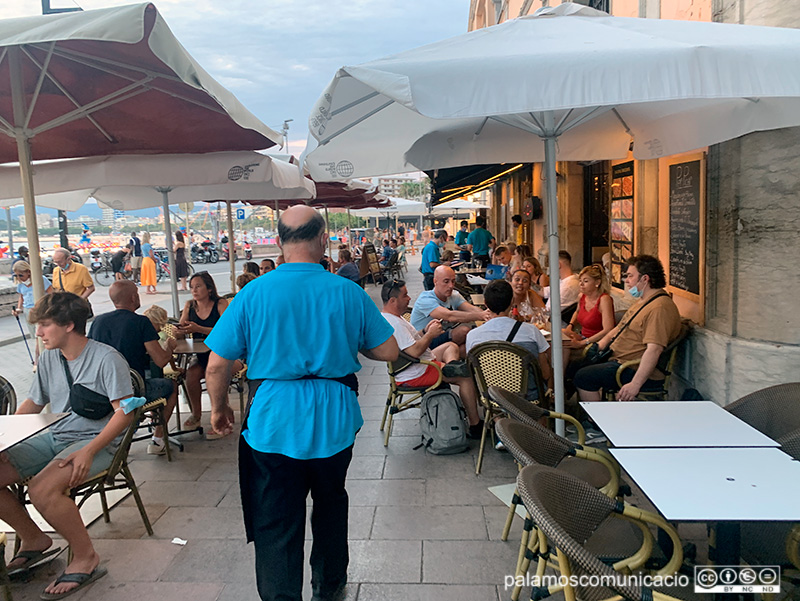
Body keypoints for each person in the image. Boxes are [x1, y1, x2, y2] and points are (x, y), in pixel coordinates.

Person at [204, 205, 398, 601]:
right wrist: (348, 339)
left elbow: (216, 365)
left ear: (279, 242)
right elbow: (390, 349)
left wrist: (219, 408)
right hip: (335, 418)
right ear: (323, 239)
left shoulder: (254, 292)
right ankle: (328, 586)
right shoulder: (347, 291)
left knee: (276, 518)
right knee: (330, 503)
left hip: (274, 419)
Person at [0, 292, 134, 598]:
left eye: (45, 325)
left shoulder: (106, 358)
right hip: (54, 435)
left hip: (96, 442)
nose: (39, 332)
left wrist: (89, 450)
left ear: (69, 325)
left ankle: (86, 555)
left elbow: (124, 412)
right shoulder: (48, 357)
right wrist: (7, 437)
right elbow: (35, 401)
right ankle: (33, 538)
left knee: (42, 488)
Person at [381, 279, 482, 438]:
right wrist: (430, 335)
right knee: (466, 376)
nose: (409, 298)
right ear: (393, 301)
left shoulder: (391, 317)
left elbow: (411, 343)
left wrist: (425, 330)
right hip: (416, 372)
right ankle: (476, 425)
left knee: (451, 346)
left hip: (416, 363)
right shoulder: (394, 324)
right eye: (405, 295)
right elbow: (414, 351)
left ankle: (448, 376)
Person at [89, 281, 179, 456]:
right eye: (137, 293)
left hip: (102, 390)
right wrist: (169, 347)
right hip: (133, 390)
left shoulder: (98, 322)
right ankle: (157, 440)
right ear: (133, 297)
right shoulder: (141, 322)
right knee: (171, 386)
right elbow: (160, 361)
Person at [574, 255, 682, 402]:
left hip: (630, 368)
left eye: (630, 276)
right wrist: (598, 346)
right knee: (572, 367)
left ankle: (595, 423)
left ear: (645, 279)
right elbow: (619, 328)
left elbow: (654, 349)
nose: (627, 281)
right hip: (616, 358)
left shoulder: (659, 308)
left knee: (584, 377)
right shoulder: (644, 301)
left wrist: (635, 384)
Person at [466, 279, 550, 402]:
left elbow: (474, 373)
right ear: (512, 301)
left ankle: (499, 418)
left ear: (485, 303)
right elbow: (545, 373)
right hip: (529, 398)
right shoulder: (531, 332)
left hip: (493, 397)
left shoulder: (473, 336)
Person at [178, 272, 230, 438]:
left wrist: (199, 329)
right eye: (192, 287)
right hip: (201, 355)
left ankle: (220, 416)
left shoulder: (220, 304)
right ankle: (196, 414)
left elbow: (228, 330)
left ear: (209, 288)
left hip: (225, 355)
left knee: (212, 374)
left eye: (198, 286)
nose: (194, 290)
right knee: (191, 375)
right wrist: (178, 330)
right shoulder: (190, 305)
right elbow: (182, 328)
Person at [410, 265, 491, 355]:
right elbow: (449, 316)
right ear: (435, 281)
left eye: (453, 281)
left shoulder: (454, 295)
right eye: (446, 281)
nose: (451, 286)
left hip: (441, 336)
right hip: (422, 342)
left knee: (469, 348)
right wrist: (481, 315)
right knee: (463, 331)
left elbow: (471, 308)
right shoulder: (425, 299)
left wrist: (491, 316)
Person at [562, 264, 616, 359]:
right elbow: (577, 312)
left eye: (585, 281)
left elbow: (608, 329)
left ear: (597, 283)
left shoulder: (604, 299)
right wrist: (570, 326)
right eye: (580, 281)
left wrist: (582, 343)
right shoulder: (582, 296)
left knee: (564, 348)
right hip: (583, 336)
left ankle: (561, 373)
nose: (581, 284)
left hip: (598, 342)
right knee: (559, 335)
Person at [12, 261, 54, 364]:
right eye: (16, 275)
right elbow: (21, 297)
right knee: (35, 336)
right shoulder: (21, 285)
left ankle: (37, 360)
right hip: (28, 311)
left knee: (38, 336)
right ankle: (42, 357)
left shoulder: (41, 280)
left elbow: (51, 294)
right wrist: (18, 308)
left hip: (40, 310)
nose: (19, 278)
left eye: (21, 275)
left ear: (28, 272)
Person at [544, 250, 580, 322]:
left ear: (558, 265)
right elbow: (543, 291)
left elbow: (547, 311)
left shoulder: (567, 286)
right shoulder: (567, 280)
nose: (549, 269)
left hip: (557, 325)